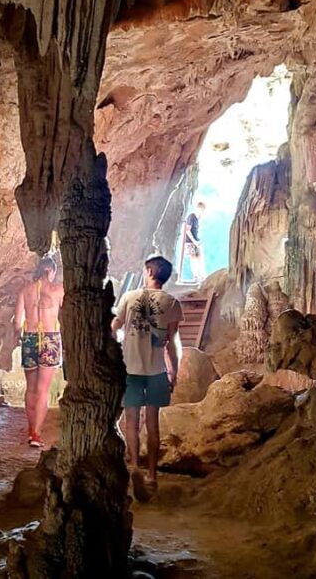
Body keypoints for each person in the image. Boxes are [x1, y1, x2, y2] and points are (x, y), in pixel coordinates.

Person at [111, 255, 183, 497]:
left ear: (150, 271)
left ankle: (134, 467)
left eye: (145, 269)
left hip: (130, 368)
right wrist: (174, 370)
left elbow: (114, 328)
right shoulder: (172, 303)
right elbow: (171, 342)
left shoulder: (129, 298)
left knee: (131, 422)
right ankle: (152, 475)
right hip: (156, 371)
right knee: (152, 424)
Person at [14, 256, 64, 448]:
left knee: (31, 388)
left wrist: (21, 336)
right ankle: (36, 434)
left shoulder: (25, 291)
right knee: (43, 390)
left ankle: (30, 428)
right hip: (50, 339)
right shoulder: (58, 289)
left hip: (30, 338)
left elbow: (17, 323)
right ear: (51, 271)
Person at [184, 201, 206, 283]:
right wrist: (194, 241)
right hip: (190, 242)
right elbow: (187, 230)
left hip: (196, 241)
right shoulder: (191, 217)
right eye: (201, 210)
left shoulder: (197, 219)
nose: (201, 212)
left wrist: (198, 241)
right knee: (193, 259)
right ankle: (196, 276)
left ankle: (201, 276)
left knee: (199, 258)